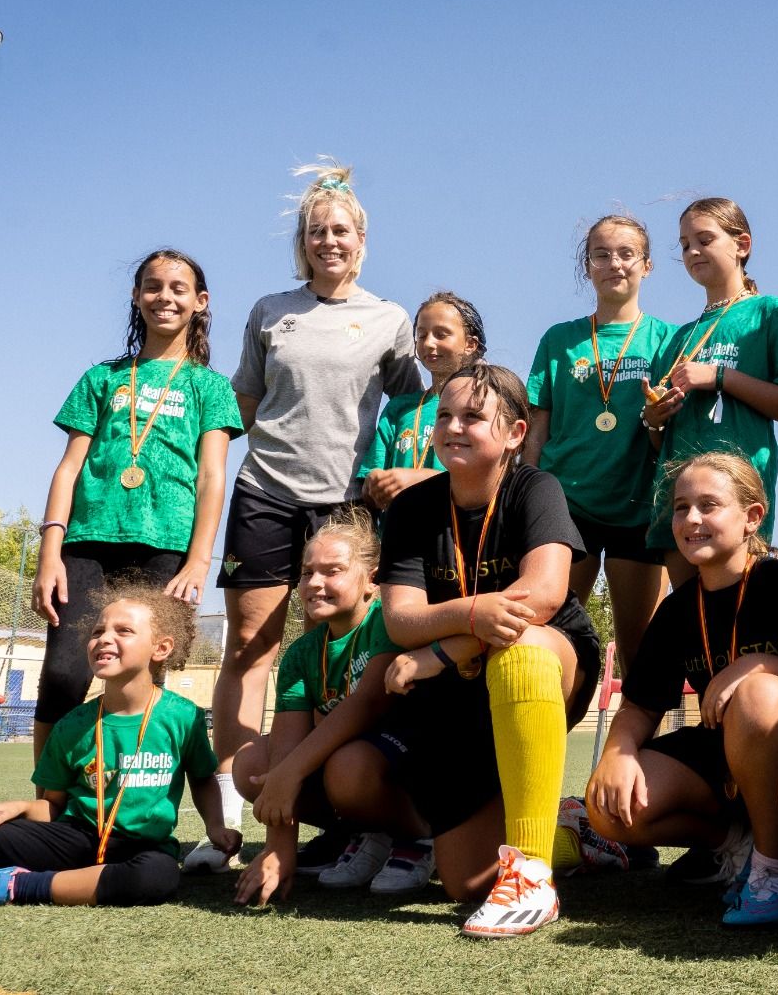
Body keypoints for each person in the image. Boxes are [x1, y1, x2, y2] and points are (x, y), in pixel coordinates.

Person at [194, 162, 422, 870]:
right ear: (304, 241)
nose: (330, 241)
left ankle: (364, 806)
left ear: (363, 240)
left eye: (342, 231)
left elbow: (416, 406)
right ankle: (229, 820)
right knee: (251, 650)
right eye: (317, 231)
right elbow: (245, 404)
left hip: (345, 504)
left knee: (354, 651)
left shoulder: (390, 319)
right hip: (266, 491)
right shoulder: (270, 311)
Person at [321, 362, 602, 938]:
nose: (453, 426)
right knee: (464, 884)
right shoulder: (412, 509)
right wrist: (469, 625)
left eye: (473, 416)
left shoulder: (535, 487)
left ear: (516, 434)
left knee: (518, 648)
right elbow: (400, 620)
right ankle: (575, 836)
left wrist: (441, 651)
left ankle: (531, 876)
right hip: (460, 693)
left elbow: (545, 594)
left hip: (550, 658)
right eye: (445, 415)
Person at [0, 585, 238, 943]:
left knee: (159, 877)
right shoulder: (73, 725)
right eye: (98, 631)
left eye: (123, 631)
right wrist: (20, 808)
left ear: (162, 648)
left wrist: (216, 827)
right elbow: (53, 804)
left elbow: (202, 777)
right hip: (76, 837)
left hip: (142, 847)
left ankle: (5, 886)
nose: (104, 638)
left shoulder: (182, 717)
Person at [585, 452, 778, 927]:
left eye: (709, 505)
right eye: (681, 507)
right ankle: (739, 846)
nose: (691, 519)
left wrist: (758, 663)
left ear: (751, 518)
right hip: (721, 754)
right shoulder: (679, 609)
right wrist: (617, 752)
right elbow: (639, 705)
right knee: (607, 810)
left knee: (758, 696)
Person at [30, 249, 242, 763]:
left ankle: (129, 806)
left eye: (177, 288)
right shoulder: (101, 379)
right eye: (152, 286)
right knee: (64, 672)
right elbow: (68, 468)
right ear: (136, 296)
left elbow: (214, 476)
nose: (163, 297)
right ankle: (46, 801)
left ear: (200, 302)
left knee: (141, 677)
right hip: (86, 542)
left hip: (165, 548)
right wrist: (49, 551)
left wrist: (198, 559)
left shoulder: (210, 387)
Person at [231, 510, 424, 906]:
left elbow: (369, 702)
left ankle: (420, 834)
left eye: (332, 571)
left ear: (372, 577)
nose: (315, 583)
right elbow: (287, 740)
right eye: (306, 573)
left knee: (346, 768)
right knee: (252, 764)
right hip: (353, 766)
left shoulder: (387, 620)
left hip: (414, 765)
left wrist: (291, 772)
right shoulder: (303, 652)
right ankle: (363, 833)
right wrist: (278, 846)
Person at [640, 198, 778, 581]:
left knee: (738, 618)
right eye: (685, 244)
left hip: (736, 497)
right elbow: (660, 443)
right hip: (678, 501)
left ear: (742, 245)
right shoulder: (678, 338)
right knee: (691, 623)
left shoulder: (769, 314)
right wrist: (655, 420)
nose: (692, 251)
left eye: (705, 239)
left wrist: (721, 376)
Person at [525, 215, 677, 669]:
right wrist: (529, 494)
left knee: (640, 654)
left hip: (640, 508)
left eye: (627, 253)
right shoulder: (559, 339)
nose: (615, 263)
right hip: (567, 508)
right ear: (587, 266)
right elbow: (538, 423)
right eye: (602, 254)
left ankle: (634, 744)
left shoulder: (668, 339)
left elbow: (672, 427)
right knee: (549, 639)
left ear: (647, 265)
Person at [357, 292, 486, 522]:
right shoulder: (400, 408)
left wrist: (420, 480)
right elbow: (370, 475)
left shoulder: (484, 405)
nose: (428, 343)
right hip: (397, 542)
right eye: (421, 335)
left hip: (458, 537)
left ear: (470, 344)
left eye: (441, 334)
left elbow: (488, 478)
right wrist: (376, 482)